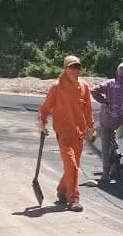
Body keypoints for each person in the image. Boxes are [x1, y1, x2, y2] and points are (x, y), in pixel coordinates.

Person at [38, 55, 94, 212]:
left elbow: (88, 109)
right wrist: (41, 123)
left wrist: (91, 127)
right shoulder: (57, 87)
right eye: (72, 67)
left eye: (77, 67)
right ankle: (73, 199)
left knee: (74, 166)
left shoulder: (84, 86)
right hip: (63, 133)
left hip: (79, 133)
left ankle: (62, 190)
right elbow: (45, 108)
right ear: (65, 68)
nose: (75, 70)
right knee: (72, 165)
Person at [91, 62, 123, 184]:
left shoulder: (110, 83)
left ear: (117, 72)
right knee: (112, 140)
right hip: (120, 119)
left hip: (106, 119)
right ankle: (116, 169)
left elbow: (94, 91)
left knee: (105, 147)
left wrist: (104, 101)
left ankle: (106, 174)